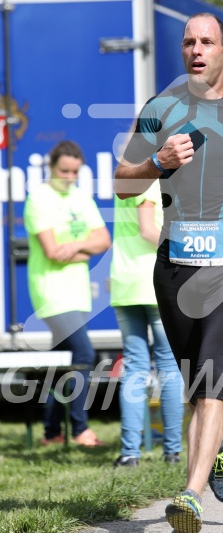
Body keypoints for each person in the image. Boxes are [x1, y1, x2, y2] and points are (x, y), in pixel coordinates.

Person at [114, 13, 223, 533]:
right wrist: (158, 163)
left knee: (212, 376)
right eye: (189, 42)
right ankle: (216, 452)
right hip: (174, 264)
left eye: (207, 42)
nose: (196, 50)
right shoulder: (160, 109)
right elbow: (123, 182)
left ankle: (189, 496)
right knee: (198, 384)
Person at [24, 140, 111, 447]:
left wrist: (74, 247)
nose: (69, 177)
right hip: (51, 293)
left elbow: (103, 241)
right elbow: (50, 252)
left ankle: (50, 432)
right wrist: (85, 248)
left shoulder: (81, 198)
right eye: (64, 170)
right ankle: (80, 429)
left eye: (75, 171)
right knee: (85, 354)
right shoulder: (39, 200)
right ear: (51, 166)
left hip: (77, 292)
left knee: (64, 361)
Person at [110, 179, 183, 467]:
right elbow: (147, 229)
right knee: (168, 366)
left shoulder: (123, 182)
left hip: (124, 283)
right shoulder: (149, 180)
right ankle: (172, 452)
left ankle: (130, 452)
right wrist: (184, 248)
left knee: (135, 367)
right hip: (155, 282)